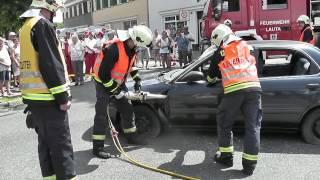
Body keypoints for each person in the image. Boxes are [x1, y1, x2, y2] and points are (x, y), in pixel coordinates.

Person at [19, 0, 76, 179]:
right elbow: (50, 63)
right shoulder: (43, 25)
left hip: (34, 99)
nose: (56, 14)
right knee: (61, 147)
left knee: (45, 146)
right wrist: (62, 98)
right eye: (56, 10)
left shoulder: (26, 26)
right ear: (48, 8)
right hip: (49, 98)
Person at [207, 24, 262, 176]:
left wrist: (216, 76)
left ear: (219, 39)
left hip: (234, 91)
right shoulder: (249, 47)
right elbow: (257, 66)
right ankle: (249, 166)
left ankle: (226, 157)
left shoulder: (221, 51)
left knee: (225, 123)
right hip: (254, 89)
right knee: (253, 128)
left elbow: (210, 77)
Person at [92, 25, 153, 159]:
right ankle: (97, 148)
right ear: (135, 40)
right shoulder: (113, 49)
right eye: (140, 45)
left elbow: (131, 66)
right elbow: (103, 75)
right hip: (103, 83)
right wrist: (116, 92)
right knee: (102, 114)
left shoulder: (131, 49)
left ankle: (131, 137)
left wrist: (137, 80)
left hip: (118, 83)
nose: (140, 48)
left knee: (127, 107)